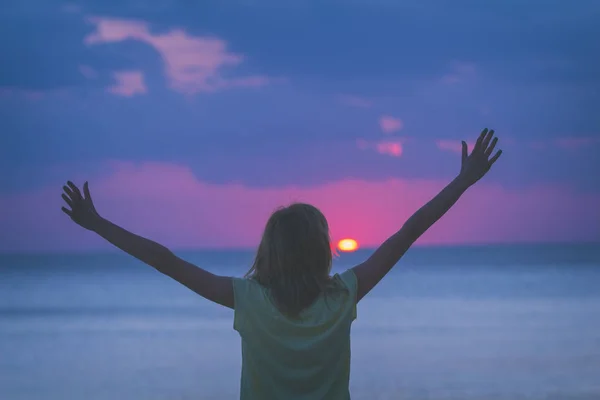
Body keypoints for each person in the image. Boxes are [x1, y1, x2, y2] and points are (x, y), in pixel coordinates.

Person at [61, 128, 502, 399]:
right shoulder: (343, 295)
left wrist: (99, 225)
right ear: (321, 250)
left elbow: (167, 262)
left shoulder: (246, 299)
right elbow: (408, 232)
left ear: (268, 252)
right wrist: (462, 180)